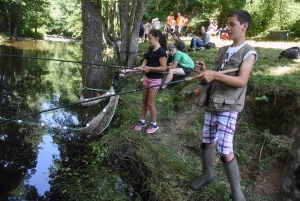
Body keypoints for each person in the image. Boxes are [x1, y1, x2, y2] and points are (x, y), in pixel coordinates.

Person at [189, 10, 258, 201]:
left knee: (226, 148)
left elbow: (241, 81)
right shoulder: (223, 51)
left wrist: (215, 74)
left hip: (228, 107)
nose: (227, 28)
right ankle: (207, 175)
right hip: (212, 103)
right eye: (227, 24)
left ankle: (236, 192)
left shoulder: (249, 52)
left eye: (231, 24)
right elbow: (214, 79)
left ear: (244, 26)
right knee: (207, 140)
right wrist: (205, 72)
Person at [133, 29, 167, 134]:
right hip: (147, 78)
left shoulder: (161, 52)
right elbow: (143, 66)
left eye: (149, 38)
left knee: (150, 102)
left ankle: (154, 124)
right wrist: (128, 70)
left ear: (156, 38)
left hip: (155, 80)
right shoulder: (150, 51)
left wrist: (150, 68)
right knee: (144, 101)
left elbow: (164, 68)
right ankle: (142, 121)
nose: (148, 40)